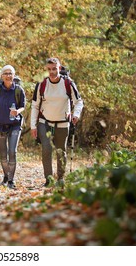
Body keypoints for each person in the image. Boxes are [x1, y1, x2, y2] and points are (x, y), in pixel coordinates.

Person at [30, 57, 84, 187]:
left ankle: (60, 179)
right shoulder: (41, 84)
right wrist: (33, 126)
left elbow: (78, 102)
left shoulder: (68, 83)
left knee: (61, 151)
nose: (52, 72)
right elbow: (35, 105)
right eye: (49, 69)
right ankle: (49, 180)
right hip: (45, 121)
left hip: (62, 122)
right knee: (46, 149)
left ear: (59, 68)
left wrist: (76, 115)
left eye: (54, 69)